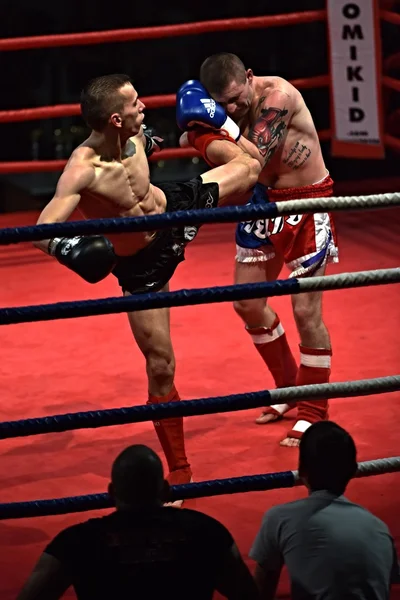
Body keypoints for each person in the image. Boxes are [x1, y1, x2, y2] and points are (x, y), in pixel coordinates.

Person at [33, 73, 261, 500]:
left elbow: (146, 152)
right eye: (136, 105)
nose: (145, 108)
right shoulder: (82, 171)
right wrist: (69, 249)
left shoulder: (136, 139)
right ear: (116, 119)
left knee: (249, 167)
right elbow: (42, 228)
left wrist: (212, 127)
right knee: (161, 365)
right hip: (142, 265)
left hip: (172, 211)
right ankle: (180, 470)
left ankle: (211, 131)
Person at [185, 53, 340, 447]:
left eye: (237, 99)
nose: (233, 108)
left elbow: (251, 159)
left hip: (305, 202)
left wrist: (209, 131)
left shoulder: (278, 97)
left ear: (249, 77)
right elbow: (192, 142)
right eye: (223, 105)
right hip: (263, 200)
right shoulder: (224, 108)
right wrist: (203, 130)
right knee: (248, 302)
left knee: (305, 310)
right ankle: (289, 388)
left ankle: (313, 409)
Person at [16, 444, 260, 600]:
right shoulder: (207, 532)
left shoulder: (78, 541)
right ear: (166, 490)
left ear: (111, 492)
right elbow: (248, 595)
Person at [249, 421, 400, 600]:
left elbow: (259, 594)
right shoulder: (379, 528)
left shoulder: (280, 519)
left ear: (301, 470)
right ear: (353, 471)